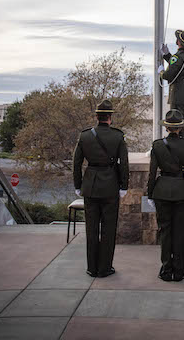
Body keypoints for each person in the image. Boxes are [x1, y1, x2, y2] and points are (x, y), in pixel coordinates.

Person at [73, 99, 129, 278]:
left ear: (97, 117)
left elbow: (76, 163)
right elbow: (124, 164)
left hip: (90, 186)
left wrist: (77, 185)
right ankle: (105, 268)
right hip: (110, 186)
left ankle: (92, 268)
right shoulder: (118, 136)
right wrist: (123, 186)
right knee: (108, 228)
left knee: (91, 228)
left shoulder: (85, 136)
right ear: (110, 117)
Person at [147, 109, 184, 282]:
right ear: (180, 128)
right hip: (182, 191)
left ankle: (166, 269)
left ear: (167, 127)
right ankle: (179, 272)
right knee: (181, 233)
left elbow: (152, 172)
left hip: (162, 191)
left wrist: (150, 194)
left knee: (165, 232)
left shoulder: (157, 145)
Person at [159, 29, 184, 138]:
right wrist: (167, 56)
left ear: (178, 42)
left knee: (177, 125)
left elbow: (167, 75)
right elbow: (179, 66)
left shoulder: (178, 57)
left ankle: (183, 148)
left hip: (178, 95)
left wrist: (161, 71)